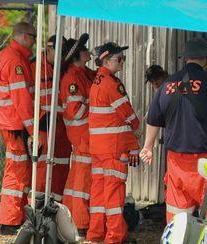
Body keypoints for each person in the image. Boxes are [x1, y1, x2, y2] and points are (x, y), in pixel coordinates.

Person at [139, 37, 207, 223]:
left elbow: (153, 120)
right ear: (205, 58)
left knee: (178, 223)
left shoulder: (166, 85)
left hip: (176, 164)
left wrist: (148, 147)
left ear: (185, 59)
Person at [0, 22, 43, 235]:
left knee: (16, 170)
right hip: (14, 124)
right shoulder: (16, 61)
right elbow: (22, 101)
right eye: (33, 37)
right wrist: (33, 129)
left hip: (6, 121)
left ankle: (13, 217)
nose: (34, 42)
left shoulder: (5, 55)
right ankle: (9, 222)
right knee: (16, 173)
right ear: (25, 37)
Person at [86, 42, 140, 244]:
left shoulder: (97, 81)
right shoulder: (111, 83)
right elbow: (128, 115)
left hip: (99, 148)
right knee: (114, 193)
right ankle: (115, 237)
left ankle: (96, 234)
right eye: (119, 59)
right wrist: (135, 135)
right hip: (113, 149)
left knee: (99, 194)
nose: (122, 62)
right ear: (106, 60)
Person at [59, 33, 95, 239]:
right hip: (82, 134)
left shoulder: (83, 73)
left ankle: (70, 219)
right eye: (85, 49)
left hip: (86, 133)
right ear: (77, 55)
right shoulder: (73, 78)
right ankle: (81, 223)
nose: (88, 51)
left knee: (76, 178)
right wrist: (98, 108)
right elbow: (75, 110)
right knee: (83, 179)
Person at [30, 35, 72, 202]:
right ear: (48, 50)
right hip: (42, 123)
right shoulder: (35, 67)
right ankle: (38, 208)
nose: (63, 56)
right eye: (59, 52)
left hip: (61, 124)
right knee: (42, 167)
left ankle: (56, 205)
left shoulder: (61, 66)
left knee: (61, 164)